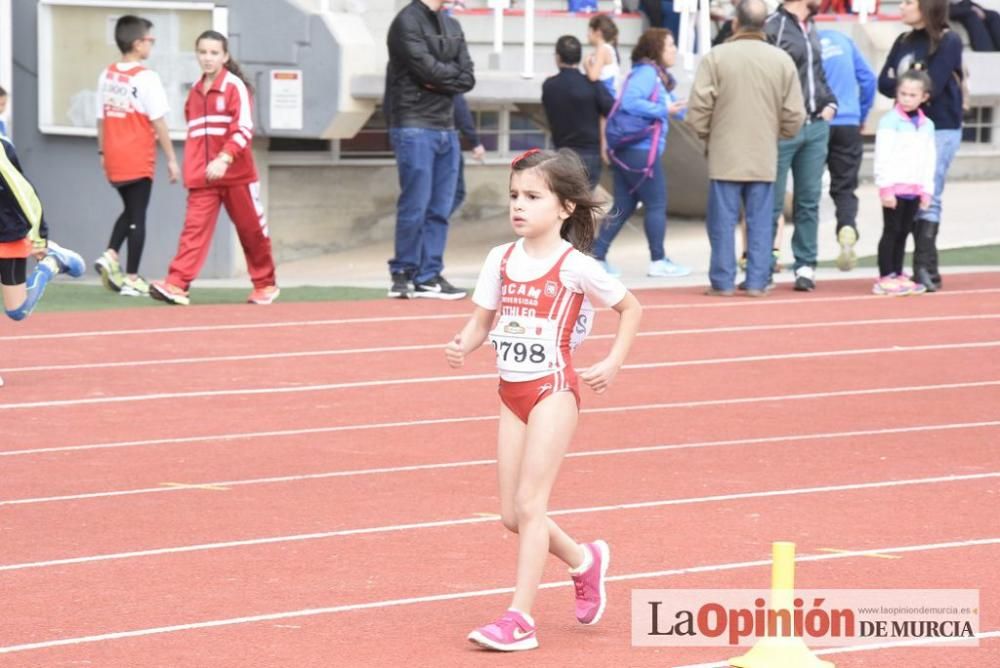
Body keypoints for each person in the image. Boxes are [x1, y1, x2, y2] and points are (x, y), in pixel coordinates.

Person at [446, 148, 641, 652]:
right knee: (512, 516)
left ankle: (520, 618)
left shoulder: (575, 266)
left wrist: (613, 362)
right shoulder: (500, 259)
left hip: (553, 390)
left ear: (565, 208)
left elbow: (630, 307)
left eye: (532, 197)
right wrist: (463, 344)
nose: (518, 205)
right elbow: (481, 321)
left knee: (532, 505)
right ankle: (584, 560)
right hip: (509, 393)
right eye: (514, 195)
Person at [149, 31, 278, 306]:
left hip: (236, 175)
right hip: (203, 178)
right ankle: (177, 284)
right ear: (197, 55)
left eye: (214, 53)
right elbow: (195, 136)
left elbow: (243, 128)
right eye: (203, 52)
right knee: (193, 231)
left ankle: (265, 284)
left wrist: (224, 158)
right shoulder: (194, 93)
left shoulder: (234, 87)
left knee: (251, 230)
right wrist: (193, 168)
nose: (208, 58)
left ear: (225, 56)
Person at [687, 0, 805, 297]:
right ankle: (756, 280)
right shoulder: (780, 59)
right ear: (764, 24)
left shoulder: (717, 57)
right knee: (761, 221)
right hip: (764, 151)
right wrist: (777, 134)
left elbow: (698, 108)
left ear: (735, 23)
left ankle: (723, 281)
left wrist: (708, 136)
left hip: (725, 152)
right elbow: (795, 113)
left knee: (722, 222)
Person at [385, 0, 475, 300]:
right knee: (415, 204)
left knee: (440, 208)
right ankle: (403, 271)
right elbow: (427, 70)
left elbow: (467, 77)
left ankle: (428, 275)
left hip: (445, 128)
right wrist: (444, 78)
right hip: (413, 124)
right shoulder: (406, 22)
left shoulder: (453, 25)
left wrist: (439, 80)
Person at [878, 0, 964, 292]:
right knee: (905, 195)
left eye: (908, 2)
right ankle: (902, 269)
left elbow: (934, 86)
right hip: (906, 127)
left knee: (929, 193)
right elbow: (884, 82)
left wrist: (907, 88)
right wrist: (909, 90)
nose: (901, 7)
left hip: (939, 125)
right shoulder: (903, 40)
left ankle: (925, 268)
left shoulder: (948, 40)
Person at [594, 28, 691, 278]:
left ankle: (597, 256)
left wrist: (687, 111)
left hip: (629, 149)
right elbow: (631, 102)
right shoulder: (648, 73)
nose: (674, 50)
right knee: (656, 203)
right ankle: (658, 260)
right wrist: (664, 109)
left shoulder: (652, 74)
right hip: (640, 150)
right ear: (657, 48)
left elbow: (676, 108)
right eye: (670, 45)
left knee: (624, 204)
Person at [95, 15, 180, 298]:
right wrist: (171, 158)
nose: (151, 45)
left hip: (114, 155)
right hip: (137, 154)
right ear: (137, 43)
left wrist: (102, 151)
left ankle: (110, 253)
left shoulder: (106, 74)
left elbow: (101, 119)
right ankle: (132, 277)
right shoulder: (146, 77)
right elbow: (159, 121)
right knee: (138, 214)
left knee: (131, 210)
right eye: (149, 40)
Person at [765, 0, 838, 292]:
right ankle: (764, 265)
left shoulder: (812, 26)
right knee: (770, 201)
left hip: (816, 125)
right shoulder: (774, 25)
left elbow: (817, 74)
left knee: (808, 199)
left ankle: (805, 265)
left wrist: (830, 101)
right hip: (784, 128)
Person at [1, 135, 86, 362]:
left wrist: (39, 240)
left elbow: (24, 195)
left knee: (17, 310)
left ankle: (51, 263)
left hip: (7, 232)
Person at [872, 69, 935, 296]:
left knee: (905, 231)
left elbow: (929, 159)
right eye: (903, 94)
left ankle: (898, 272)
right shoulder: (890, 121)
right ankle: (885, 275)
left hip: (914, 189)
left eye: (912, 95)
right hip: (895, 187)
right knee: (891, 230)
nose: (907, 99)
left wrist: (927, 191)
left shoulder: (927, 125)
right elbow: (882, 156)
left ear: (924, 97)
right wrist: (885, 188)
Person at [819, 28, 876, 272]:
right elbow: (868, 80)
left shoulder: (804, 41)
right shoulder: (845, 40)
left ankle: (803, 257)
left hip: (817, 123)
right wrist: (861, 113)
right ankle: (847, 226)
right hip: (848, 121)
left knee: (808, 189)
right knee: (845, 186)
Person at [542, 35, 615, 190]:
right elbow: (612, 110)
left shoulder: (549, 86)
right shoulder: (593, 84)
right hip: (591, 154)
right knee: (585, 204)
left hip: (563, 153)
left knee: (565, 205)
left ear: (558, 57)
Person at [451, 94, 486, 217]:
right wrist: (475, 142)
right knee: (456, 193)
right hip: (445, 141)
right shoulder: (447, 80)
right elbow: (460, 110)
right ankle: (430, 226)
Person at [585, 15, 621, 98]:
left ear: (598, 32)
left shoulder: (602, 49)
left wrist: (586, 63)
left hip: (607, 98)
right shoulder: (606, 48)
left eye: (589, 31)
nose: (587, 35)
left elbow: (593, 77)